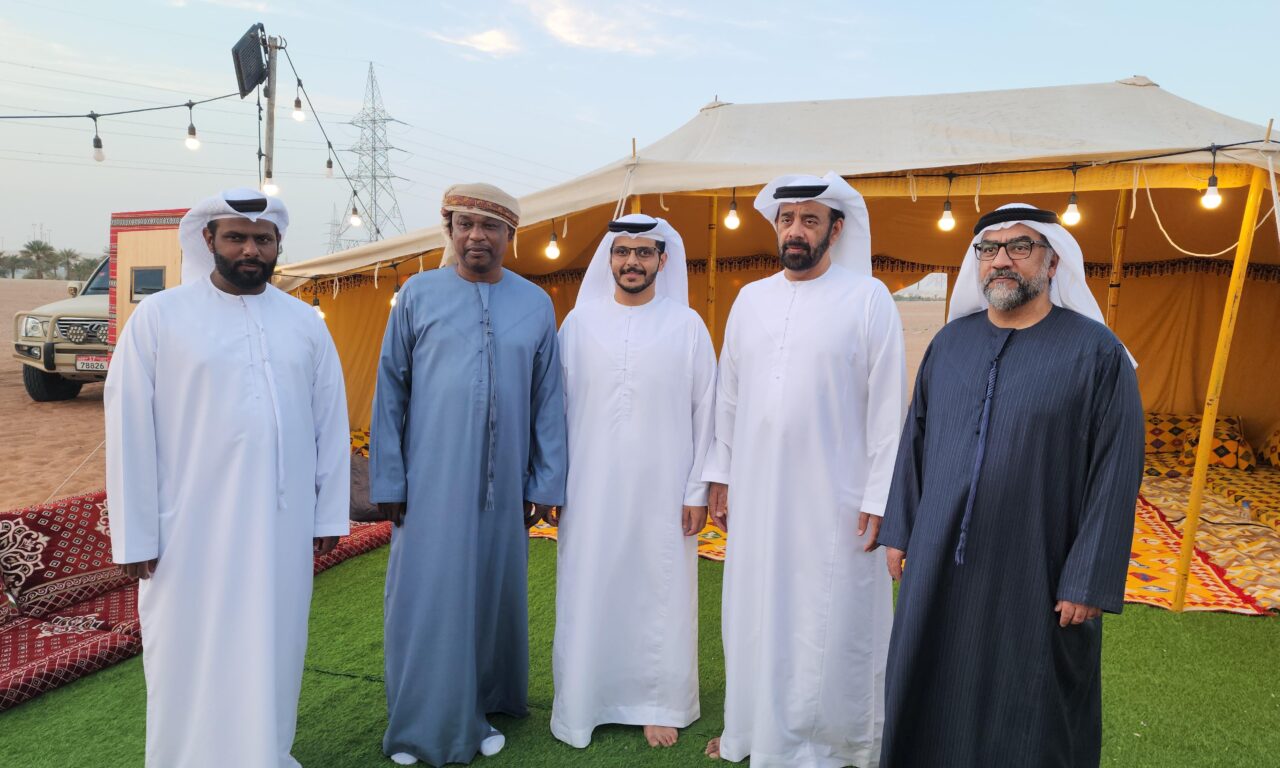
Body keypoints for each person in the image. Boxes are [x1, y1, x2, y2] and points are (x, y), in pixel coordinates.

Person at [878, 203, 1144, 768]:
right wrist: (901, 529)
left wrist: (1088, 576)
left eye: (1020, 247)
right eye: (989, 249)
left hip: (1038, 566)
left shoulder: (1097, 353)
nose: (1002, 260)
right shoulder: (949, 344)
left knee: (1032, 706)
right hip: (940, 562)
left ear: (1053, 262)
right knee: (930, 684)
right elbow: (915, 440)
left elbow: (1115, 469)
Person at [105, 188, 351, 768]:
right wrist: (135, 535)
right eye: (236, 237)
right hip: (188, 528)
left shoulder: (304, 322)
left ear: (277, 245)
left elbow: (330, 422)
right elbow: (129, 427)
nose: (250, 250)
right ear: (208, 239)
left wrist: (327, 514)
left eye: (262, 239)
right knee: (186, 649)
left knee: (274, 645)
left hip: (281, 526)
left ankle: (266, 754)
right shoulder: (160, 317)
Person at [702, 172, 907, 767]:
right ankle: (752, 731)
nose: (796, 230)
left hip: (836, 496)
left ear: (835, 231)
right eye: (787, 219)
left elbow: (888, 408)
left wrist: (879, 497)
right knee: (757, 610)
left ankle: (837, 742)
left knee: (830, 616)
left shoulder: (868, 298)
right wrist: (721, 474)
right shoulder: (750, 299)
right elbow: (729, 397)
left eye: (810, 220)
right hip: (759, 492)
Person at [370, 183, 567, 766]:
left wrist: (545, 480)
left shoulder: (535, 303)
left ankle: (482, 706)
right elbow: (390, 391)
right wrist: (390, 480)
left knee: (491, 594)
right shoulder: (417, 294)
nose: (476, 236)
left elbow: (548, 400)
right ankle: (420, 724)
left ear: (510, 235)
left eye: (490, 226)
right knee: (427, 598)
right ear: (450, 230)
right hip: (429, 483)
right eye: (464, 224)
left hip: (504, 486)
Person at [551, 214, 716, 749]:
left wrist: (697, 490)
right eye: (623, 252)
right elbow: (554, 411)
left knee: (658, 592)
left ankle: (658, 704)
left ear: (662, 262)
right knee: (590, 587)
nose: (632, 262)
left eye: (644, 253)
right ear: (610, 259)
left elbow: (707, 413)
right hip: (589, 489)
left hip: (664, 491)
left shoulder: (687, 326)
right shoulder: (578, 325)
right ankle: (585, 702)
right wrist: (553, 484)